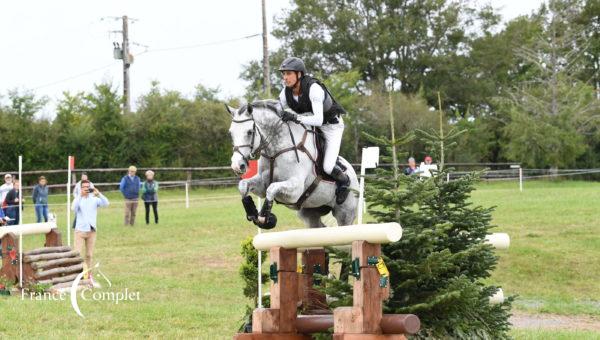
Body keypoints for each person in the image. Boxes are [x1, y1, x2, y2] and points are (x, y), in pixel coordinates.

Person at [277, 57, 350, 204]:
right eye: (283, 74)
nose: (285, 77)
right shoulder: (284, 94)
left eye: (289, 73)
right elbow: (279, 112)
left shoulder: (314, 89)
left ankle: (344, 182)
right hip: (310, 125)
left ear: (299, 74)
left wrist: (295, 117)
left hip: (331, 127)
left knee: (328, 166)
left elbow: (318, 119)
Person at [72, 180, 109, 287]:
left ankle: (88, 276)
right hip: (80, 231)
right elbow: (73, 208)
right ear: (81, 188)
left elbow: (106, 203)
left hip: (91, 231)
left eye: (88, 187)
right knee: (77, 255)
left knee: (89, 255)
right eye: (84, 187)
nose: (86, 189)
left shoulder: (94, 199)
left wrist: (99, 194)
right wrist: (80, 196)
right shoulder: (78, 199)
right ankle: (76, 276)